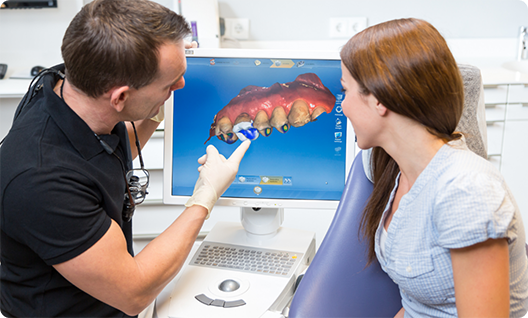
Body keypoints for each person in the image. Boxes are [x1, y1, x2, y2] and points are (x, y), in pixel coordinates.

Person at [0, 0, 250, 317]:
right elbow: (134, 291)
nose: (181, 85)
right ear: (119, 97)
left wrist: (166, 71)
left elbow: (103, 152)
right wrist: (205, 194)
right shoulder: (41, 180)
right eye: (171, 84)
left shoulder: (68, 87)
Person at [339, 18, 528, 318]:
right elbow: (417, 306)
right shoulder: (393, 170)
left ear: (378, 99)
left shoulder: (467, 192)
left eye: (345, 90)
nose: (343, 106)